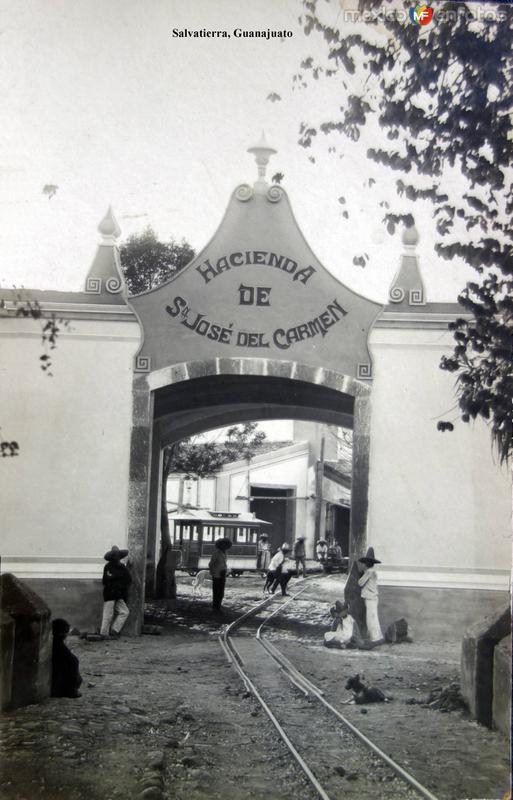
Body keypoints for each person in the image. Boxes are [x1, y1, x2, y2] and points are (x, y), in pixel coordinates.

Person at [100, 545, 132, 638]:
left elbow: (129, 579)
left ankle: (114, 630)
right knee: (108, 614)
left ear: (119, 557)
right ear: (111, 557)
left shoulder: (122, 567)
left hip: (118, 594)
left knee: (124, 612)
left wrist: (114, 578)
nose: (116, 558)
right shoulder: (107, 567)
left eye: (117, 556)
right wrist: (117, 578)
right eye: (114, 556)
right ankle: (104, 633)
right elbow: (104, 581)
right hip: (109, 594)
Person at [357, 549, 385, 646]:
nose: (364, 564)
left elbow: (360, 583)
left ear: (368, 563)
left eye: (365, 563)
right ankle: (378, 637)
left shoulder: (369, 572)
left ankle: (375, 638)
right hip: (372, 598)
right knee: (373, 618)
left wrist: (361, 574)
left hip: (370, 599)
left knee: (371, 619)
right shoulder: (372, 572)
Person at [51, 618, 82, 698]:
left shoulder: (56, 643)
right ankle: (70, 691)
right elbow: (73, 662)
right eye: (65, 633)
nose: (66, 636)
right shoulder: (57, 645)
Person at [209, 537, 232, 613]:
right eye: (223, 545)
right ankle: (215, 607)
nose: (224, 546)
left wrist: (226, 569)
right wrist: (213, 572)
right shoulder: (216, 553)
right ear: (220, 545)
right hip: (216, 575)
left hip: (223, 574)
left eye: (226, 545)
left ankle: (218, 607)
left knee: (221, 592)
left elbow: (224, 563)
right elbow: (211, 564)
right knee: (216, 592)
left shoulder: (225, 553)